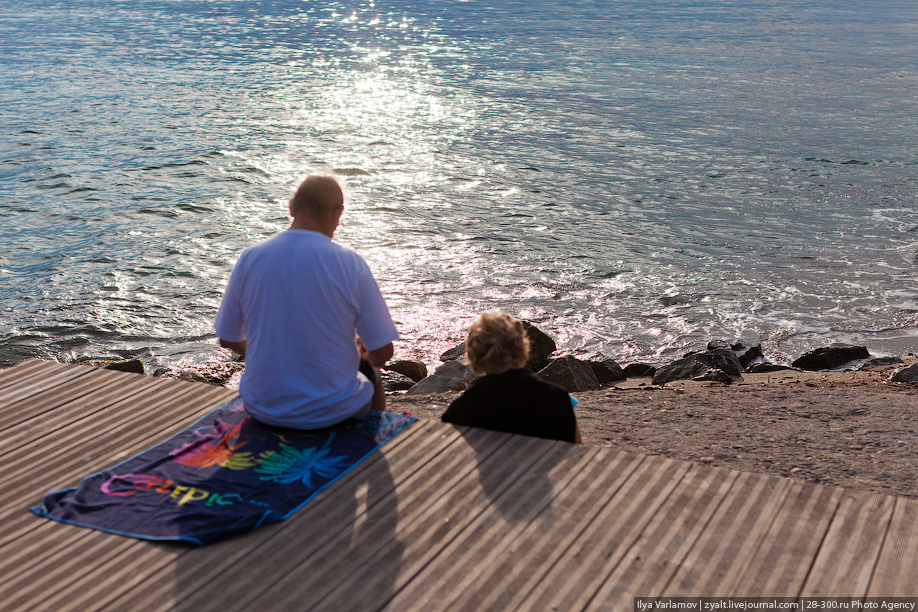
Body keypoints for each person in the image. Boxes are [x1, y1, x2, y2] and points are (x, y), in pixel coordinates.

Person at [214, 174, 398, 429]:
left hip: (263, 408)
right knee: (371, 372)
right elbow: (383, 351)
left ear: (292, 208)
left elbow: (228, 338)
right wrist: (361, 355)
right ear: (338, 213)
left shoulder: (250, 257)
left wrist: (269, 351)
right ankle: (369, 445)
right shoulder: (352, 265)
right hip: (332, 413)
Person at [441, 311, 582, 444]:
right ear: (522, 350)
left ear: (473, 357)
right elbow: (578, 452)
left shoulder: (460, 410)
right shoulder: (559, 399)